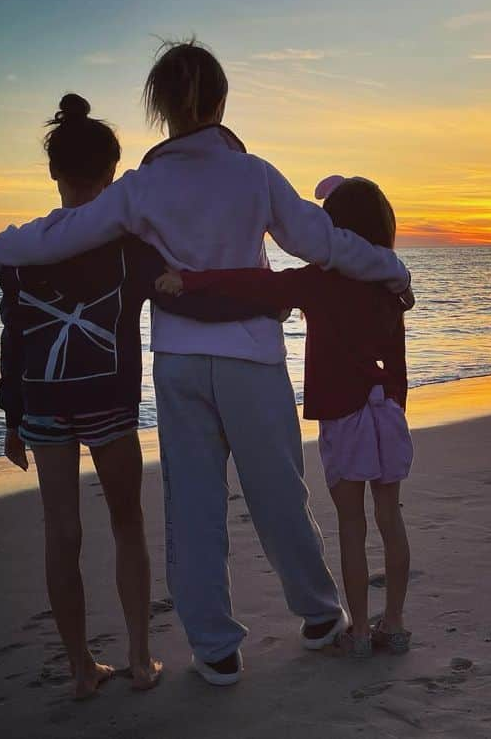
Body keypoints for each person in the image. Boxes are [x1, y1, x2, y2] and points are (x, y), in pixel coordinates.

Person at [0, 39, 411, 686]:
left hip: (179, 361)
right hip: (249, 357)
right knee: (278, 496)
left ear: (160, 109)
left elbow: (62, 234)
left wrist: (1, 251)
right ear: (220, 102)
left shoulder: (142, 186)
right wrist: (391, 269)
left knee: (193, 505)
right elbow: (322, 242)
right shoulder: (255, 174)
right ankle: (321, 617)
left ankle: (215, 649)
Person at [0, 93, 274, 698]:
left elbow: (12, 337)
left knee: (60, 531)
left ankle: (79, 671)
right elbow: (185, 293)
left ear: (52, 172)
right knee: (127, 523)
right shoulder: (127, 250)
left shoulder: (19, 255)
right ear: (114, 177)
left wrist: (12, 419)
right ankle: (141, 658)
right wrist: (263, 297)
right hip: (108, 403)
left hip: (42, 403)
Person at [156, 175, 414, 658]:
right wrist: (394, 407)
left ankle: (358, 631)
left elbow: (252, 285)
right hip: (387, 414)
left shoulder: (318, 283)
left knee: (352, 528)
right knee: (389, 520)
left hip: (344, 415)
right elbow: (397, 362)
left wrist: (189, 280)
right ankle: (394, 624)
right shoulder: (391, 282)